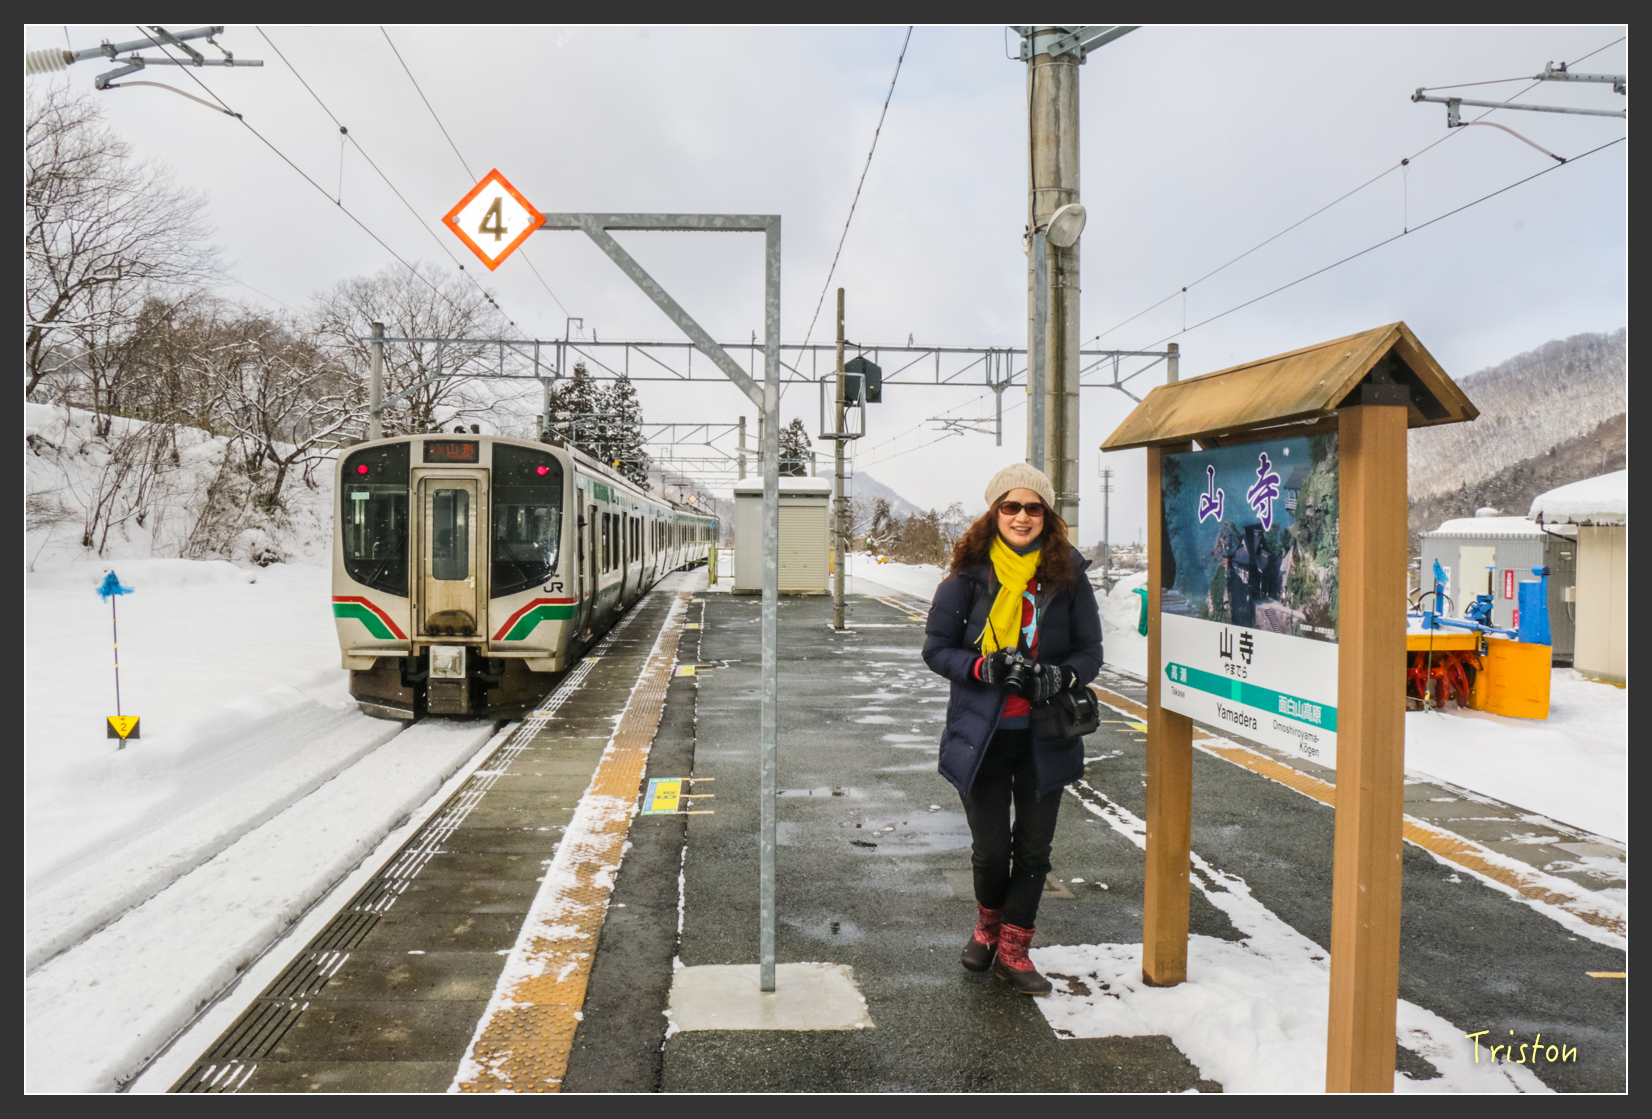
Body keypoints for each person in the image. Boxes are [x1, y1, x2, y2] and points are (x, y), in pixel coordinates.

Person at [922, 464, 1103, 995]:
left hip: (1045, 734)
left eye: (1032, 508)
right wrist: (984, 668)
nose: (1021, 517)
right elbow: (937, 649)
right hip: (983, 736)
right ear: (994, 512)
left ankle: (1014, 948)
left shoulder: (1067, 575)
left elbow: (1090, 652)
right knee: (990, 847)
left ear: (1046, 515)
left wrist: (1059, 674)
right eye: (1010, 506)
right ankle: (987, 925)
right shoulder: (968, 575)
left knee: (1034, 850)